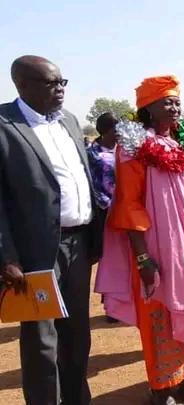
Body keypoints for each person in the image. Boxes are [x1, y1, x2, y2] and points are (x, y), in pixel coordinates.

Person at [95, 75, 184, 405]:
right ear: (147, 108)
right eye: (166, 102)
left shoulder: (183, 144)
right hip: (155, 247)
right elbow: (128, 204)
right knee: (159, 314)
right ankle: (161, 389)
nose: (175, 107)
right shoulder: (132, 147)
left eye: (176, 101)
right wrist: (143, 258)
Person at [0, 55, 98, 405]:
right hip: (34, 253)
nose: (60, 90)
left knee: (77, 334)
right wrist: (7, 256)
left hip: (78, 243)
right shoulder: (3, 124)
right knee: (42, 340)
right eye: (50, 83)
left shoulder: (69, 121)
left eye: (62, 82)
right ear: (22, 85)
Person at [87, 111, 120, 323]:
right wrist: (107, 206)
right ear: (107, 131)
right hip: (104, 214)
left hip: (125, 212)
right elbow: (90, 185)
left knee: (123, 260)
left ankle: (121, 303)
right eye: (117, 129)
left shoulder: (125, 150)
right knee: (108, 260)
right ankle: (110, 306)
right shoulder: (91, 154)